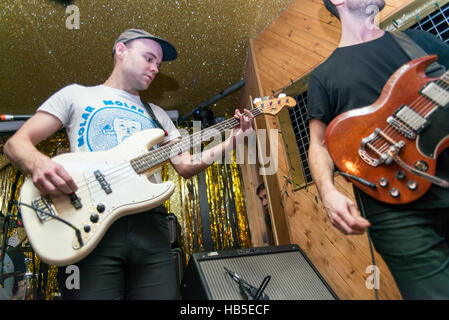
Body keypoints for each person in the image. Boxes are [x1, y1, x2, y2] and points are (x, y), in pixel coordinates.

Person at [4, 28, 254, 299]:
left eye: (158, 63)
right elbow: (15, 144)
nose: (155, 68)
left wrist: (232, 141)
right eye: (149, 58)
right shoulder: (76, 95)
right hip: (91, 222)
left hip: (150, 227)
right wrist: (39, 164)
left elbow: (185, 165)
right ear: (121, 51)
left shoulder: (157, 114)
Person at [307, 0, 449, 299]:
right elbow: (318, 144)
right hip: (394, 209)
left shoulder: (417, 42)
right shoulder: (324, 75)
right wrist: (328, 193)